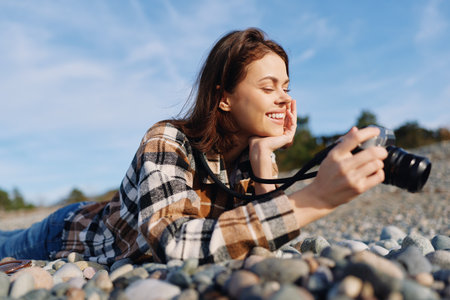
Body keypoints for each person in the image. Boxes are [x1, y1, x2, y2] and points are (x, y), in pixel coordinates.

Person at [0, 28, 387, 265]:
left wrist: (264, 159)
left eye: (286, 88)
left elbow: (272, 247)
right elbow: (175, 243)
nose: (284, 99)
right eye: (268, 87)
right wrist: (316, 198)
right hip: (70, 235)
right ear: (223, 98)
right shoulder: (168, 140)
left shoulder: (250, 159)